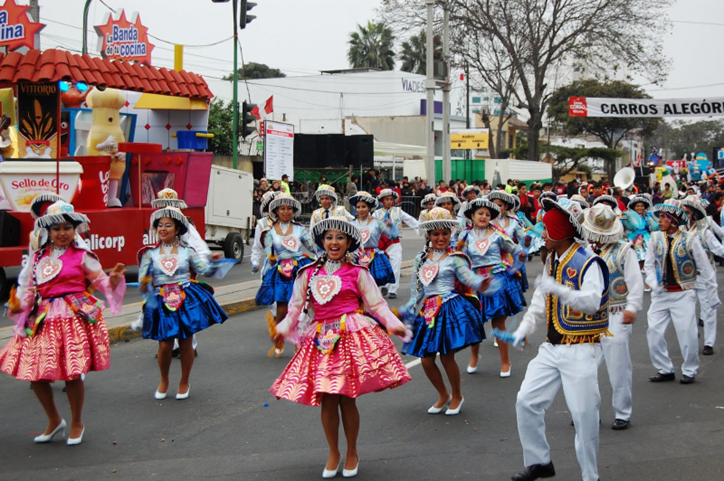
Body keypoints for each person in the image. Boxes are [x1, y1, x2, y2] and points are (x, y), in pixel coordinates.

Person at [270, 216, 411, 479]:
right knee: (327, 398)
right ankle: (333, 452)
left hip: (350, 336)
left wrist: (394, 324)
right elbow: (295, 307)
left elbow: (377, 305)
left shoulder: (359, 272)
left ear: (349, 242)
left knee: (347, 398)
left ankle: (352, 452)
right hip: (320, 338)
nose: (334, 242)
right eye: (329, 237)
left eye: (340, 237)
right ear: (322, 242)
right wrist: (281, 328)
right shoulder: (308, 272)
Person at [1, 201, 126, 445]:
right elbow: (27, 291)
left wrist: (114, 280)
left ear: (75, 230)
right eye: (56, 228)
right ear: (47, 232)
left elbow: (102, 282)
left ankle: (77, 421)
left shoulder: (83, 256)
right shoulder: (37, 258)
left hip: (72, 319)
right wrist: (17, 305)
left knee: (72, 374)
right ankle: (55, 420)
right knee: (35, 375)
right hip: (43, 318)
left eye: (67, 227)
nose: (61, 233)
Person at [506, 197, 610, 481]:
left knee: (584, 418)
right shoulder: (553, 257)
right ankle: (540, 462)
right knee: (526, 401)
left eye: (547, 229)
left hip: (581, 349)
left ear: (561, 232)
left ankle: (591, 476)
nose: (542, 234)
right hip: (551, 348)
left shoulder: (589, 262)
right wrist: (525, 328)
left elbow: (591, 302)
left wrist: (559, 289)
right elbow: (541, 299)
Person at [400, 208, 490, 416]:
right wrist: (408, 308)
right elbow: (417, 290)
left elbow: (469, 278)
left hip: (450, 308)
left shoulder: (456, 257)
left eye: (445, 233)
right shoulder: (420, 259)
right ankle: (443, 394)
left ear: (450, 233)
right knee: (426, 359)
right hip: (429, 312)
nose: (441, 238)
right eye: (436, 234)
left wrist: (482, 283)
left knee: (447, 357)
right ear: (428, 236)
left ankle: (457, 395)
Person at [139, 207, 229, 400]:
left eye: (168, 225)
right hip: (162, 301)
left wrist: (213, 262)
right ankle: (164, 380)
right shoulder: (149, 254)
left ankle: (184, 381)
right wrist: (146, 287)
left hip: (184, 299)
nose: (163, 229)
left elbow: (204, 269)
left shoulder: (188, 252)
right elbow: (143, 280)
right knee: (164, 344)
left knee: (186, 341)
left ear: (177, 229)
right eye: (160, 225)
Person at [580, 204, 643, 431]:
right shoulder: (587, 250)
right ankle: (589, 410)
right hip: (592, 317)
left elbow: (635, 282)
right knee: (586, 366)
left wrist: (633, 308)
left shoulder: (625, 250)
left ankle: (622, 412)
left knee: (618, 366)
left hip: (617, 313)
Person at [645, 200, 718, 384]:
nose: (659, 221)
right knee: (653, 331)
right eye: (659, 217)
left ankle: (690, 370)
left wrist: (712, 295)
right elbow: (649, 265)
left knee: (687, 333)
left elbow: (706, 268)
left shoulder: (690, 239)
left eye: (663, 217)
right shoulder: (655, 238)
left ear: (673, 221)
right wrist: (654, 284)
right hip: (661, 294)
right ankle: (665, 368)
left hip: (683, 293)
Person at [457, 198, 527, 377]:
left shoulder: (498, 235)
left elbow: (517, 251)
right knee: (475, 322)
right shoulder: (464, 236)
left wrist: (514, 267)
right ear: (472, 216)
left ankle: (505, 361)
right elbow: (459, 260)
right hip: (474, 283)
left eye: (487, 214)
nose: (484, 216)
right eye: (480, 213)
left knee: (498, 323)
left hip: (496, 281)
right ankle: (474, 357)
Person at [152, 188, 213, 357]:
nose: (166, 207)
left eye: (169, 204)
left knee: (184, 309)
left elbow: (199, 248)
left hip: (182, 274)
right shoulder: (159, 223)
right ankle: (169, 346)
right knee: (163, 308)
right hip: (163, 275)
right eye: (163, 204)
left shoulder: (183, 224)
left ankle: (189, 346)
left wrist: (200, 265)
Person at [255, 193, 316, 356]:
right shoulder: (268, 231)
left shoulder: (299, 229)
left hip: (299, 269)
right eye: (282, 208)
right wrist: (272, 257)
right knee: (282, 309)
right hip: (281, 272)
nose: (286, 211)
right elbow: (268, 251)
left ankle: (301, 342)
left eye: (289, 208)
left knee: (303, 307)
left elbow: (312, 246)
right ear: (276, 210)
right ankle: (279, 335)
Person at [680, 197, 724, 356]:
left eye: (686, 212)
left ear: (693, 214)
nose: (683, 215)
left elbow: (719, 250)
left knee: (708, 310)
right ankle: (692, 332)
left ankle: (709, 343)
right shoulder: (680, 232)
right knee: (686, 311)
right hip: (687, 279)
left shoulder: (704, 231)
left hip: (704, 277)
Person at [373, 188, 420, 299]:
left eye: (391, 199)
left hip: (395, 242)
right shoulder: (376, 213)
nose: (389, 202)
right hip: (381, 244)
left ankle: (393, 290)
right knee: (383, 266)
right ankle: (384, 285)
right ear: (382, 201)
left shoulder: (398, 211)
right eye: (386, 199)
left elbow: (410, 220)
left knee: (396, 266)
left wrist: (419, 227)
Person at [349, 191, 396, 287]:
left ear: (369, 208)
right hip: (356, 257)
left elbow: (392, 236)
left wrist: (391, 226)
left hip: (373, 258)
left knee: (372, 286)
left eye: (363, 206)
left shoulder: (377, 223)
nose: (360, 210)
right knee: (357, 286)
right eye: (358, 207)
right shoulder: (352, 224)